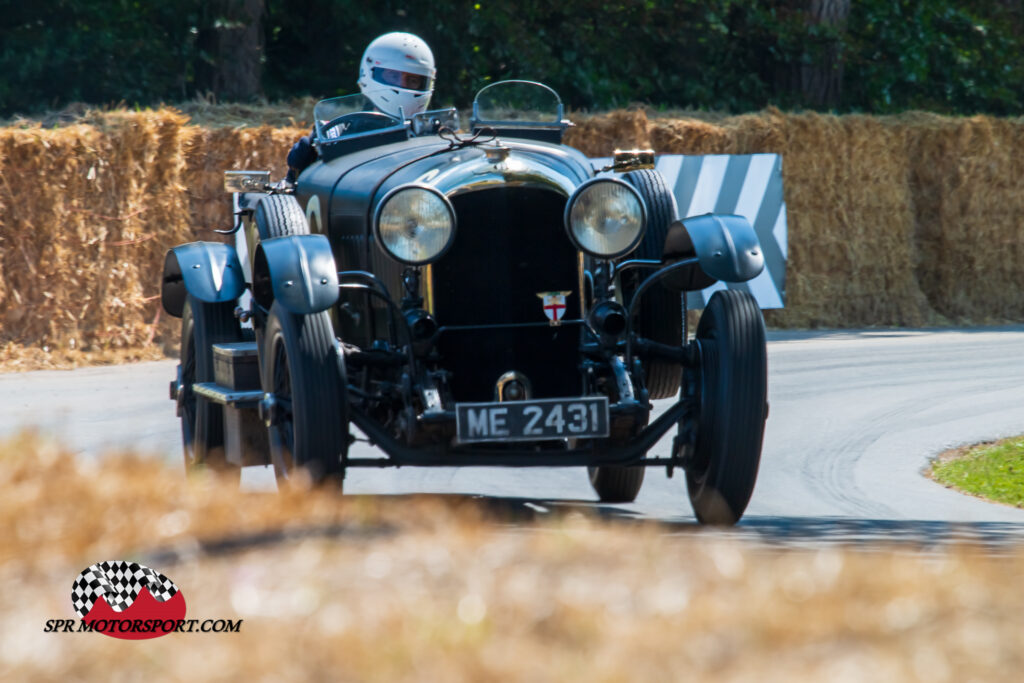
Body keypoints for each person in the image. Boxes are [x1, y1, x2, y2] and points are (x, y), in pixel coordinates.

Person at [286, 32, 436, 183]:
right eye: (393, 76)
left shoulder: (434, 140)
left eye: (413, 80)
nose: (403, 86)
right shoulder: (337, 134)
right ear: (369, 73)